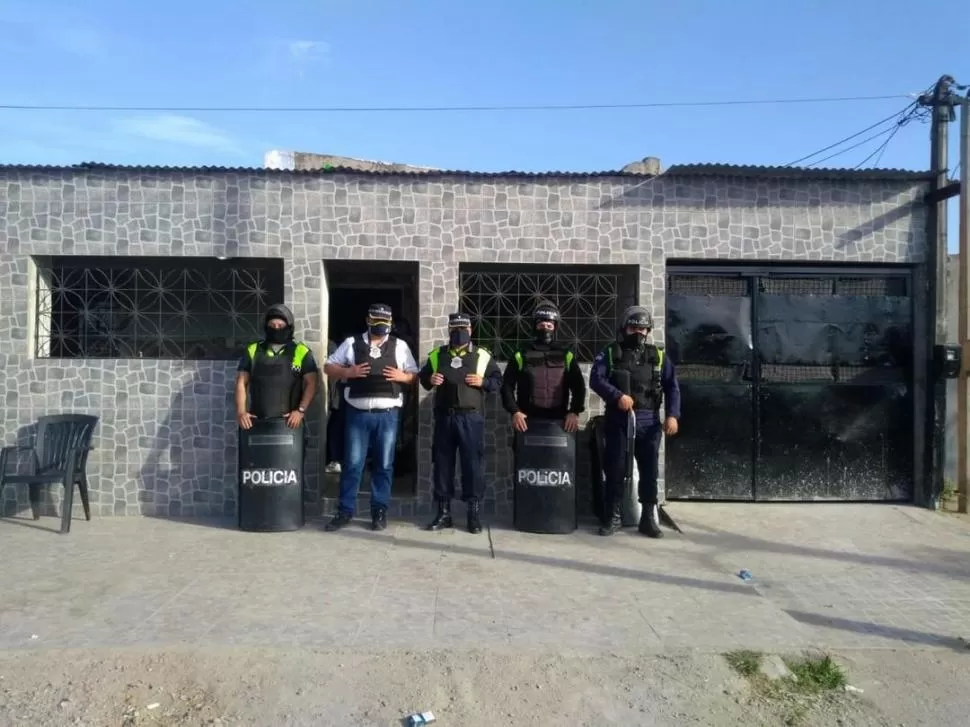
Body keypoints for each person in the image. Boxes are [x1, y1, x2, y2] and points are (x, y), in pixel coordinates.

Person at [322, 303, 419, 532]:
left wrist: (402, 377)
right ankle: (345, 511)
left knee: (384, 465)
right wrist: (348, 372)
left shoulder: (400, 346)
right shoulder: (351, 343)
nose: (382, 326)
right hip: (358, 414)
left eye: (386, 322)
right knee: (353, 465)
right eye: (378, 321)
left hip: (387, 415)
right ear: (368, 320)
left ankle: (379, 511)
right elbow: (328, 367)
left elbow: (414, 375)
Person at [589, 305, 681, 538]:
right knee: (615, 469)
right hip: (619, 420)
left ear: (649, 331)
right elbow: (596, 379)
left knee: (649, 471)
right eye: (633, 328)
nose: (638, 333)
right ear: (624, 328)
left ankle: (648, 519)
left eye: (643, 329)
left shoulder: (658, 355)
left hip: (649, 421)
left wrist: (672, 415)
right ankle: (614, 517)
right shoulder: (611, 353)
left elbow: (672, 387)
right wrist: (617, 396)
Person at [418, 312, 503, 534]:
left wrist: (483, 381)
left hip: (471, 418)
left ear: (470, 330)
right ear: (449, 330)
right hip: (445, 417)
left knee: (472, 466)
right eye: (455, 329)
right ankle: (443, 513)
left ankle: (472, 514)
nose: (459, 333)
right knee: (443, 465)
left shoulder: (482, 356)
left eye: (463, 329)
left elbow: (498, 381)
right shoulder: (438, 355)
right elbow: (423, 378)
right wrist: (430, 379)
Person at [500, 300, 586, 434]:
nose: (545, 328)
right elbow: (506, 386)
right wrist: (515, 411)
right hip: (527, 421)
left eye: (549, 325)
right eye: (541, 324)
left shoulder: (566, 354)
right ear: (535, 326)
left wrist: (574, 412)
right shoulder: (521, 353)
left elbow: (578, 386)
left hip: (559, 421)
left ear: (555, 327)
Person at [235, 303, 319, 432]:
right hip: (256, 422)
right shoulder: (253, 349)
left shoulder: (301, 351)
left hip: (290, 423)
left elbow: (312, 383)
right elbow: (241, 382)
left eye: (280, 326)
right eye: (272, 326)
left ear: (289, 328)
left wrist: (300, 411)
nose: (276, 329)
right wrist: (241, 412)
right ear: (266, 327)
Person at [324, 339, 346, 474]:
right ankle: (335, 460)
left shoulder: (332, 347)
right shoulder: (334, 348)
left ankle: (334, 460)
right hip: (336, 400)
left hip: (336, 400)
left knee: (334, 430)